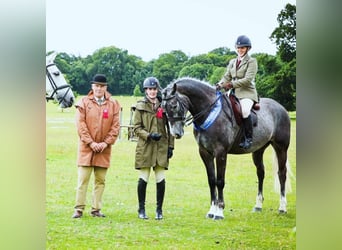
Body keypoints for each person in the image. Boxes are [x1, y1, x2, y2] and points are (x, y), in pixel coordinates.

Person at [72, 74, 121, 218]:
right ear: (92, 87)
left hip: (104, 150)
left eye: (102, 86)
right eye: (96, 86)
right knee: (83, 180)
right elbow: (80, 125)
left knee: (100, 181)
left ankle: (96, 209)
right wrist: (91, 142)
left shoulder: (113, 104)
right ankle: (78, 209)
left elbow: (115, 126)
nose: (99, 89)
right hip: (86, 148)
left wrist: (105, 143)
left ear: (106, 87)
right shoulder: (83, 102)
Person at [133, 77, 175, 220]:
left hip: (162, 146)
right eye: (149, 89)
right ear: (145, 90)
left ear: (158, 90)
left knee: (160, 178)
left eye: (154, 89)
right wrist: (149, 135)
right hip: (146, 146)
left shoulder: (164, 106)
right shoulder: (140, 106)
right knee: (144, 177)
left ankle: (159, 210)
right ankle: (141, 209)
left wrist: (171, 146)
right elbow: (136, 128)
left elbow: (170, 128)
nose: (152, 92)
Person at [216, 35, 258, 149]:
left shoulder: (252, 61)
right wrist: (220, 84)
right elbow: (227, 76)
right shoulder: (233, 61)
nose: (240, 50)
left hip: (247, 93)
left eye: (243, 48)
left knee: (244, 111)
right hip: (232, 93)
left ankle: (248, 138)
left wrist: (231, 84)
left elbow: (248, 79)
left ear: (248, 48)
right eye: (238, 48)